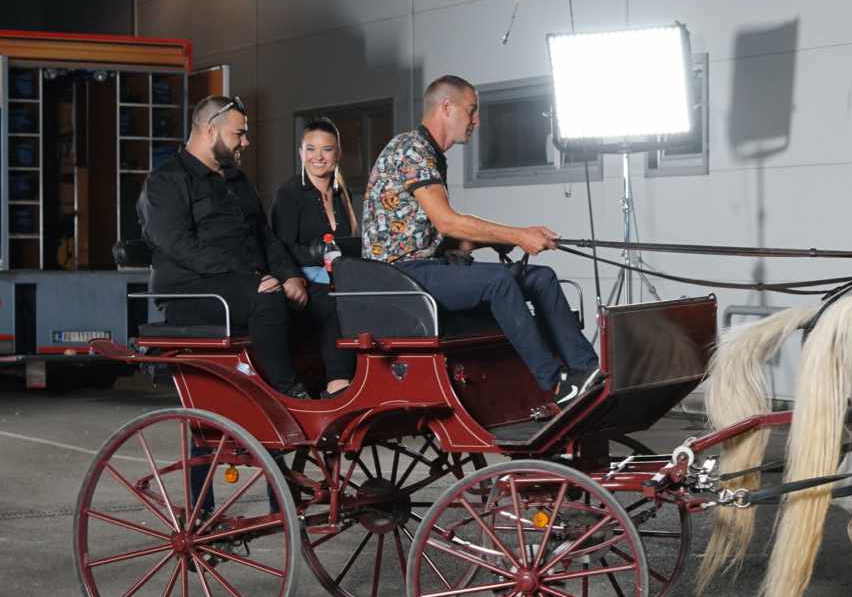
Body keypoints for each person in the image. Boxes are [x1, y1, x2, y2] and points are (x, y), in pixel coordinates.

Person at [361, 74, 600, 414]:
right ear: (446, 107)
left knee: (541, 277)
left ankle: (586, 372)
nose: (477, 120)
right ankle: (557, 383)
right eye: (471, 110)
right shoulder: (411, 149)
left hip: (429, 265)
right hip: (400, 276)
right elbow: (446, 220)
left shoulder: (430, 153)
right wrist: (517, 235)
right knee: (499, 282)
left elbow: (436, 229)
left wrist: (491, 241)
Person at [140, 95, 314, 400]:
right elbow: (178, 244)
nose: (246, 142)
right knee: (266, 299)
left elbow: (264, 235)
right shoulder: (166, 181)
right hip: (191, 292)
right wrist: (251, 276)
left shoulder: (237, 180)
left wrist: (291, 275)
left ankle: (332, 384)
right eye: (239, 133)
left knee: (321, 299)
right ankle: (286, 393)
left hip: (244, 282)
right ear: (210, 130)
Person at [269, 118, 360, 395]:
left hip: (340, 277)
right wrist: (319, 253)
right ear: (300, 153)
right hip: (303, 281)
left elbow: (350, 241)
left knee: (369, 298)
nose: (317, 157)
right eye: (310, 149)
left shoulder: (343, 192)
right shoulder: (289, 193)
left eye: (326, 150)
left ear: (338, 153)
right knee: (338, 304)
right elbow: (280, 248)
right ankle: (338, 385)